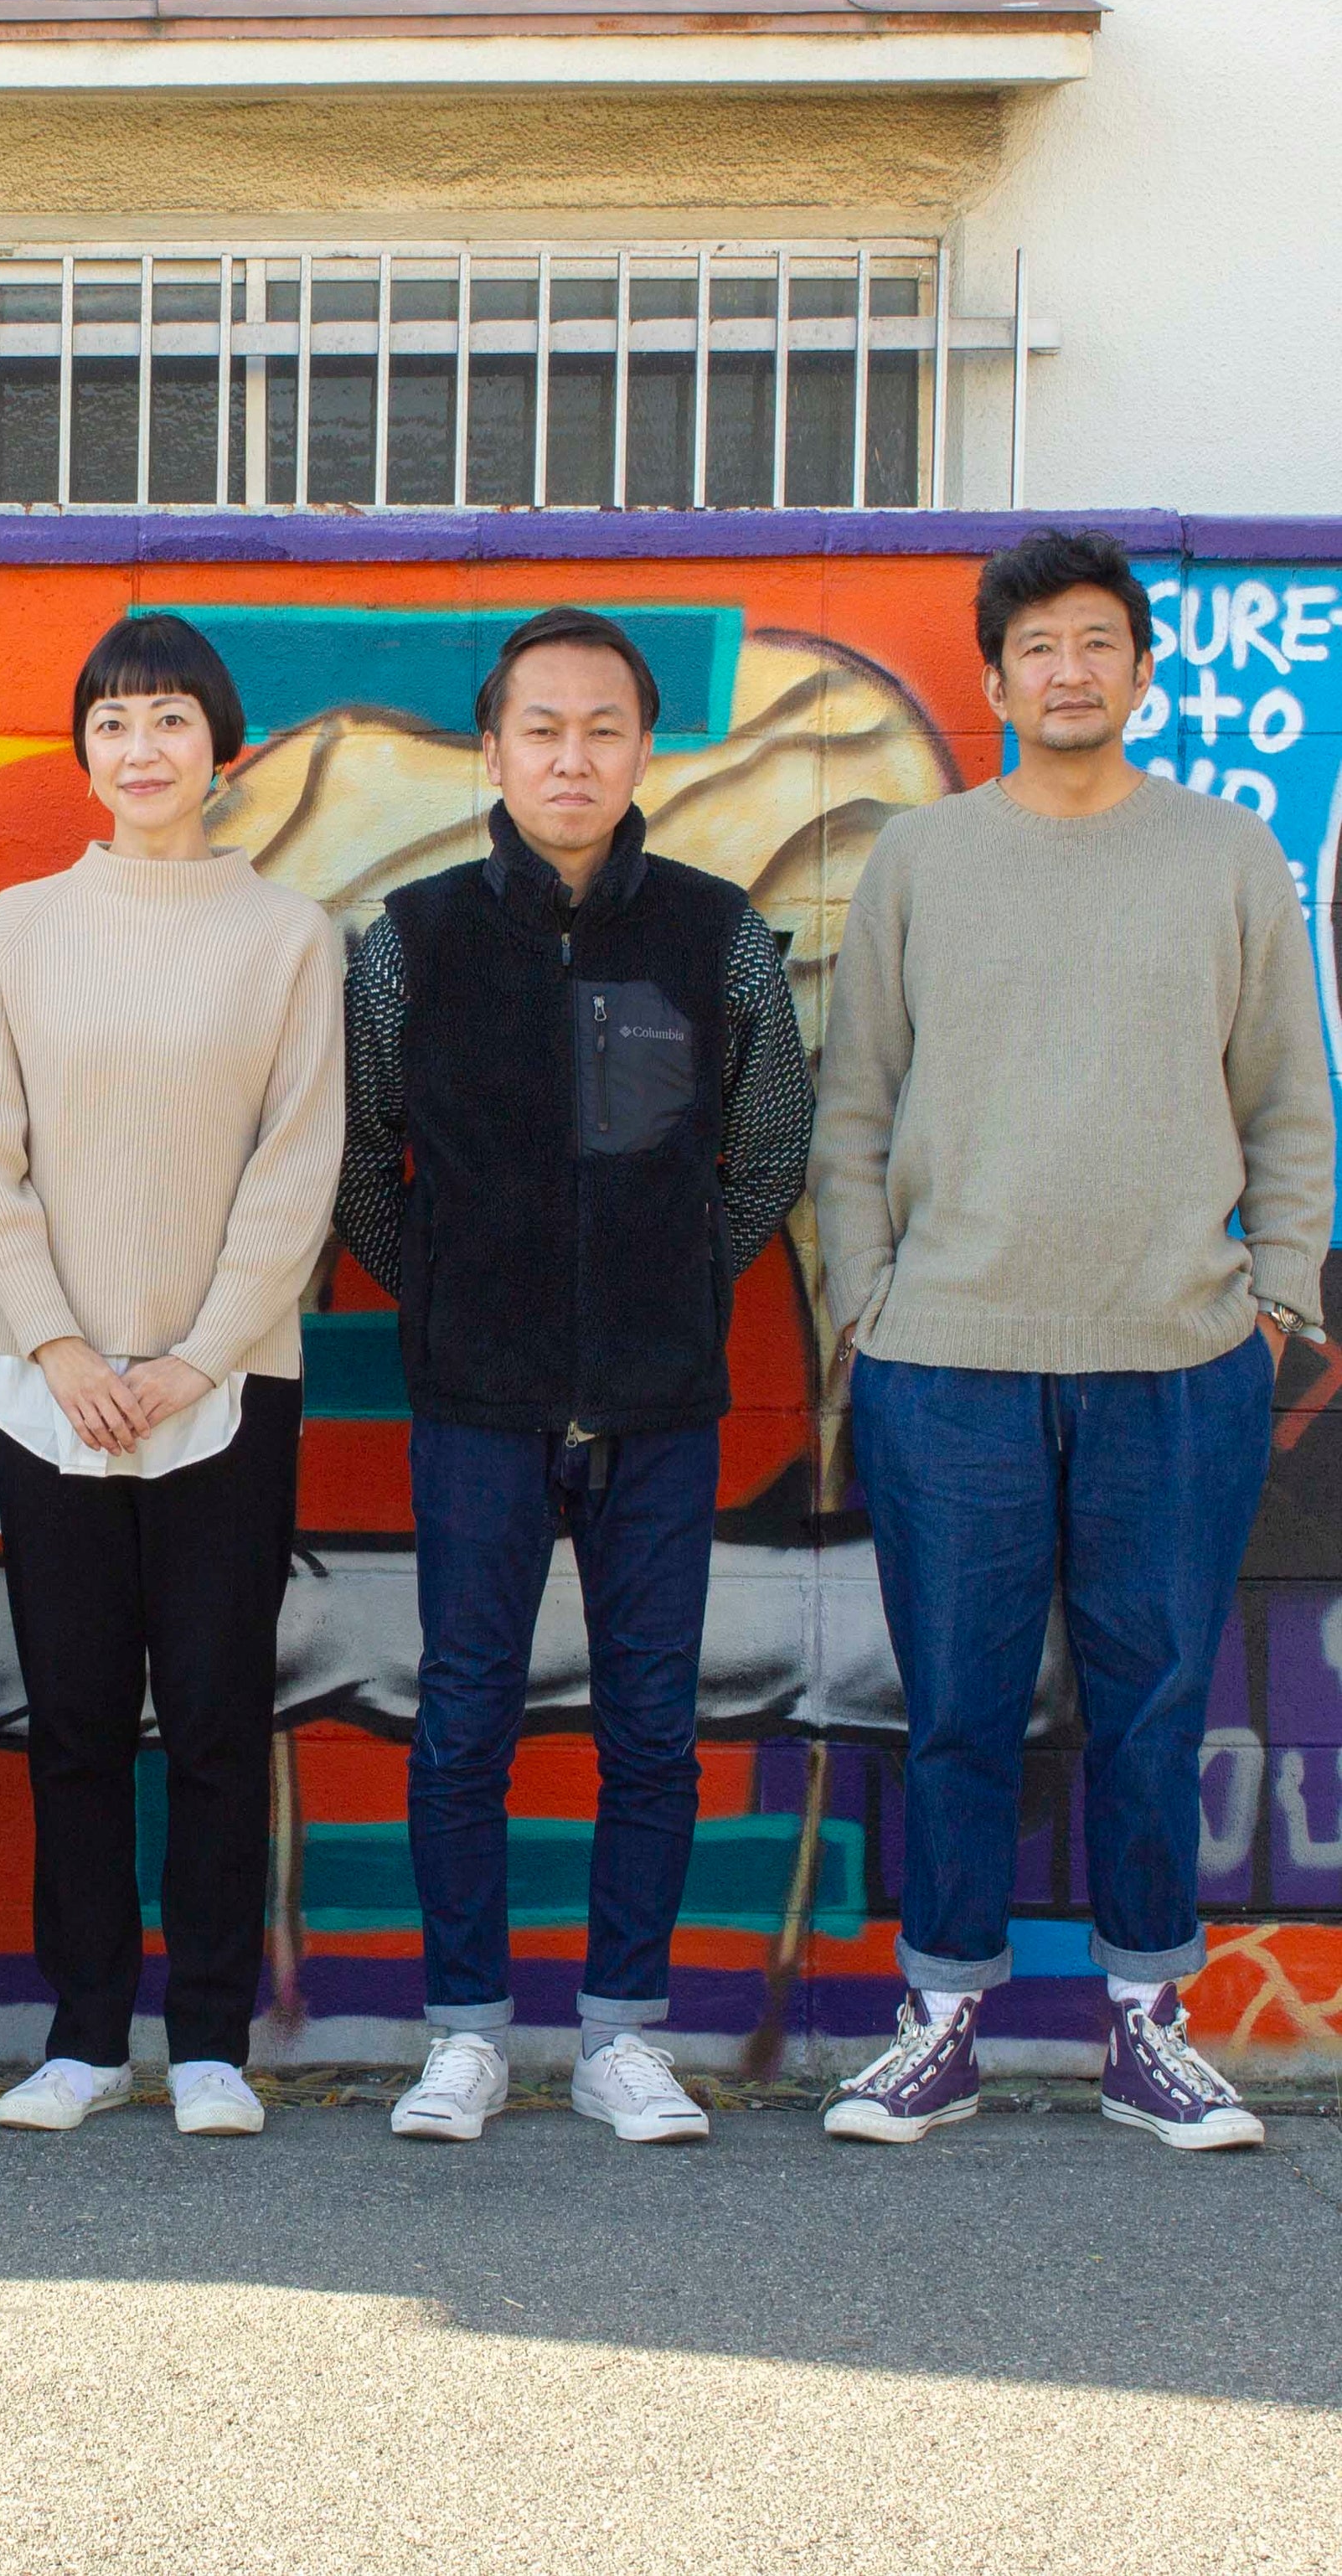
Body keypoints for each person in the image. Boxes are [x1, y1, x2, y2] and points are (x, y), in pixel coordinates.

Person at [813, 530, 1334, 2151]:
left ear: (1141, 671)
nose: (1068, 669)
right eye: (1037, 645)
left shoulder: (1228, 857)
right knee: (958, 1704)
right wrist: (868, 1304)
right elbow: (853, 1105)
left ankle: (1147, 2028)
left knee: (1154, 1704)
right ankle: (941, 2023)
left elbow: (1289, 1101)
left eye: (1098, 641)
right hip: (947, 1357)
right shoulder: (920, 859)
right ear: (994, 678)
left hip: (1177, 1357)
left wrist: (1278, 1300)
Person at [335, 608, 813, 2148]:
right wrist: (453, 1293)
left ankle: (623, 2035)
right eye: (541, 728)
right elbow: (360, 1162)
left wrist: (674, 1282)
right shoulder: (412, 943)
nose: (571, 757)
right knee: (463, 1718)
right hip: (478, 1401)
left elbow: (771, 1148)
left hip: (659, 1404)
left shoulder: (714, 935)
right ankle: (465, 2032)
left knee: (653, 1729)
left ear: (644, 749)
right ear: (492, 751)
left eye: (604, 728)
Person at [0, 612, 343, 2140]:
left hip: (225, 1386)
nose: (141, 747)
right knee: (76, 1719)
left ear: (220, 748)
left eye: (170, 718)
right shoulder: (17, 929)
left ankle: (213, 2041)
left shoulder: (288, 936)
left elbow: (297, 1164)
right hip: (49, 1385)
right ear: (83, 752)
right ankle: (88, 2032)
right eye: (112, 721)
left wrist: (193, 1357)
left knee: (222, 1716)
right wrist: (57, 1342)